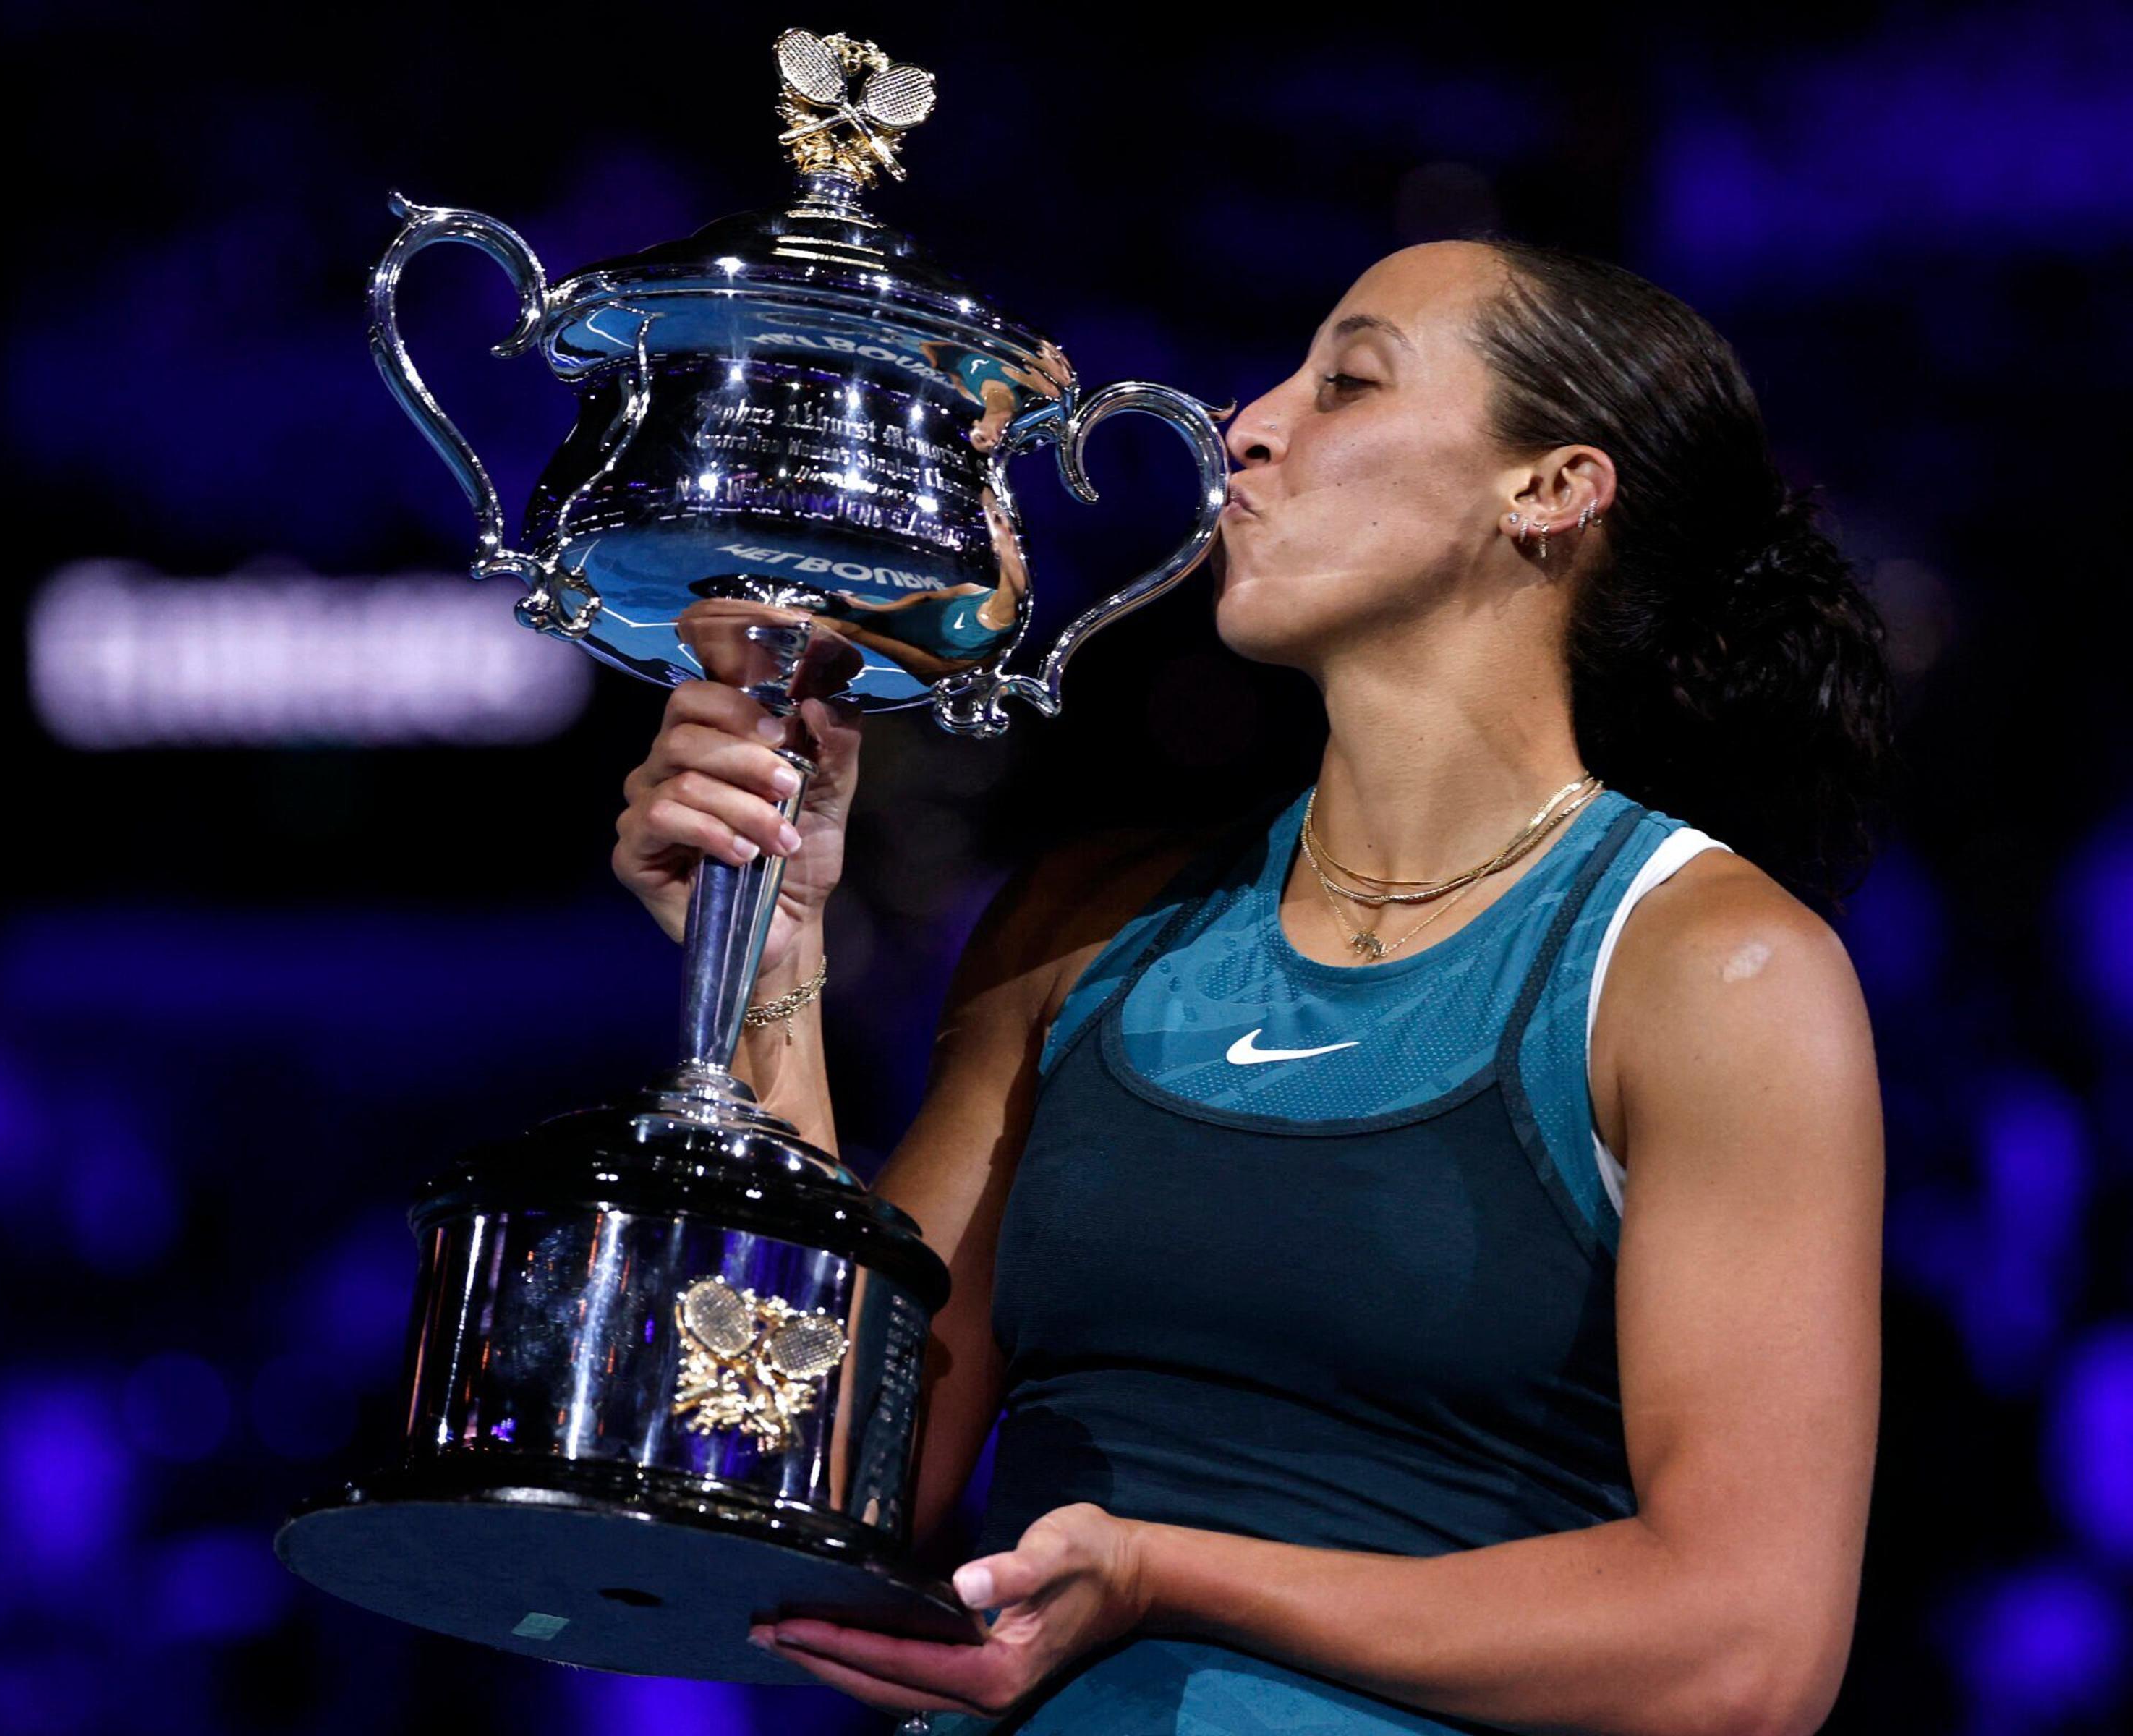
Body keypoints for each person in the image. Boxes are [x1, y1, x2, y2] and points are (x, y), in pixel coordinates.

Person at [611, 237, 1892, 1734]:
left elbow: (1745, 1652)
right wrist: (771, 954)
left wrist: (1170, 1577)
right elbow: (818, 1486)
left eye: (1344, 382)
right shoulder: (1082, 928)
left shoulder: (1709, 971)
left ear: (1549, 490)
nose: (1248, 425)